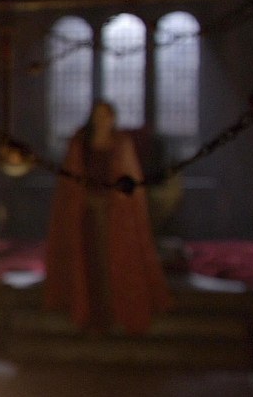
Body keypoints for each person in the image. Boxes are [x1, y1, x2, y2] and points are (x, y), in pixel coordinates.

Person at [43, 100, 172, 335]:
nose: (102, 120)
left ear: (113, 118)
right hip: (86, 216)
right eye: (98, 115)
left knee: (112, 263)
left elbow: (128, 179)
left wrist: (115, 202)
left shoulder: (121, 143)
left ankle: (114, 314)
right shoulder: (81, 143)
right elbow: (71, 180)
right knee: (89, 264)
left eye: (106, 115)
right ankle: (90, 316)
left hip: (114, 218)